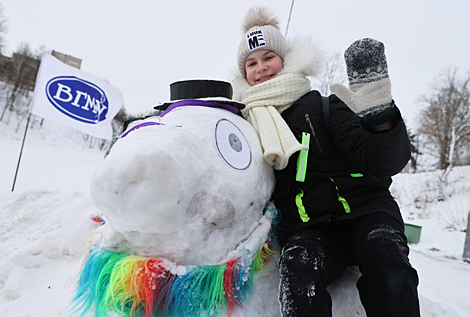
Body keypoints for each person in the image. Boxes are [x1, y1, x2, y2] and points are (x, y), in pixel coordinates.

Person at [231, 7, 420, 317]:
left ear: (286, 60)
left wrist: (379, 119)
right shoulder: (247, 125)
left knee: (389, 268)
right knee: (297, 272)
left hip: (367, 214)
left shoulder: (325, 107)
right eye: (251, 63)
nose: (261, 68)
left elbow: (382, 163)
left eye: (269, 58)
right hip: (308, 230)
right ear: (243, 74)